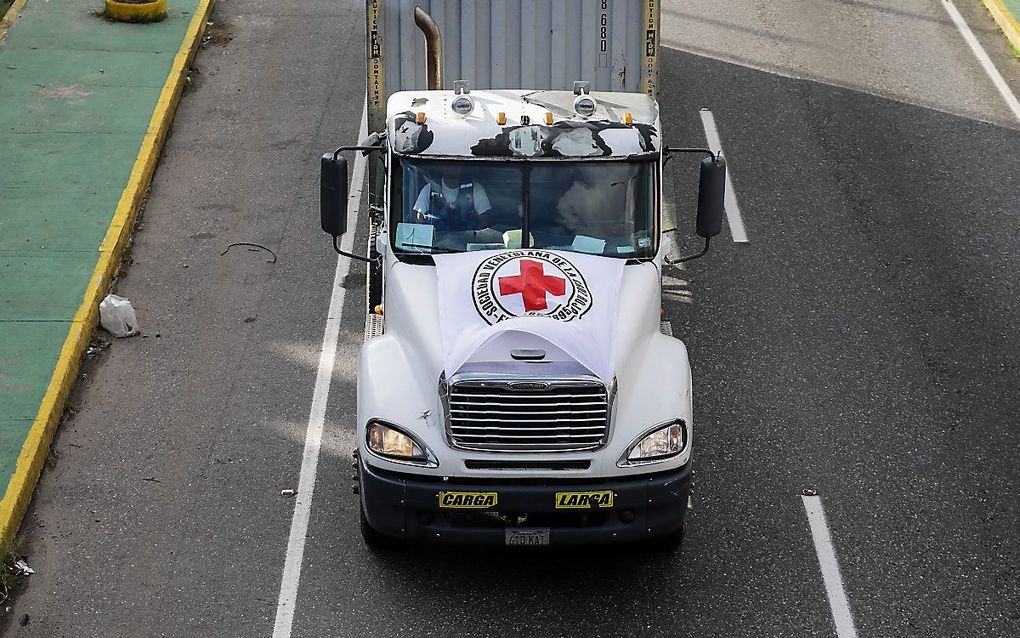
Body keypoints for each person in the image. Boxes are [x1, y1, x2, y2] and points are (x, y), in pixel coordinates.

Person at [411, 167, 492, 232]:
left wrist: (473, 238)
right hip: (436, 246)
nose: (451, 167)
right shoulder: (429, 189)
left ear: (461, 168)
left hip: (467, 246)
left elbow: (484, 219)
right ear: (441, 167)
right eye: (447, 164)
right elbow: (419, 219)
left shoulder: (476, 188)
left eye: (455, 164)